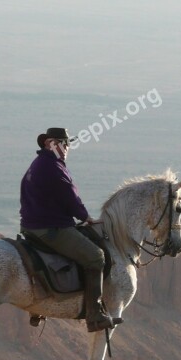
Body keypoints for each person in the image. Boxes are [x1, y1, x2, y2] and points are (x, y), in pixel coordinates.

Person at [19, 127, 114, 332]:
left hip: (31, 226)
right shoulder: (53, 167)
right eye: (62, 143)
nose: (66, 148)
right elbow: (69, 196)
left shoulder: (39, 164)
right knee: (95, 256)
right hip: (49, 227)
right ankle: (95, 315)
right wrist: (86, 217)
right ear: (49, 143)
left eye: (67, 144)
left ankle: (40, 306)